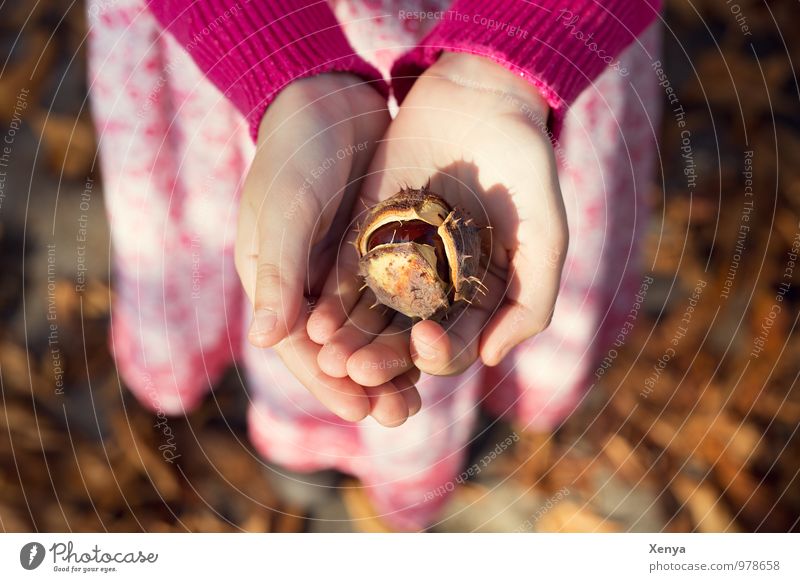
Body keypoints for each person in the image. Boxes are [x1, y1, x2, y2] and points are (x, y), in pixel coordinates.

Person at [87, 0, 662, 530]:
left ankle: (447, 427)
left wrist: (510, 58)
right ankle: (311, 436)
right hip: (240, 34)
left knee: (400, 324)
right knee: (299, 275)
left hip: (538, 44)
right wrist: (275, 52)